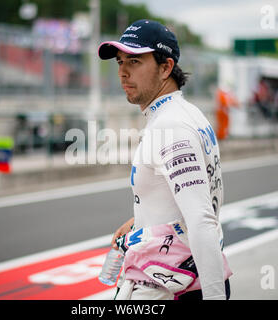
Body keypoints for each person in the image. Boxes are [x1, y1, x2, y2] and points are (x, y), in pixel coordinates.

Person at [98, 19, 232, 300]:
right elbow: (183, 203)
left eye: (134, 61)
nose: (122, 72)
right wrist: (140, 222)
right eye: (120, 62)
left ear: (166, 67)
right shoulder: (185, 113)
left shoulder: (171, 126)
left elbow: (201, 219)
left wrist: (215, 297)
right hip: (172, 279)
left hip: (174, 288)